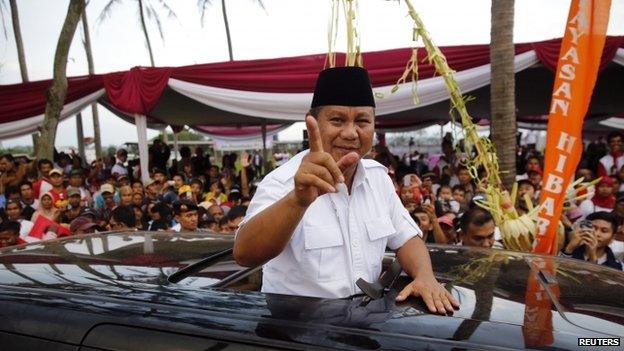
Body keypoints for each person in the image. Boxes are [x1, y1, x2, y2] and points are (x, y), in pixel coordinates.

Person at [234, 66, 458, 314]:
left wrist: (425, 276)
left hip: (366, 327)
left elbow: (406, 238)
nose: (351, 133)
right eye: (337, 120)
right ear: (313, 123)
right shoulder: (284, 181)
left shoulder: (378, 179)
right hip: (298, 333)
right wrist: (297, 201)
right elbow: (245, 254)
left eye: (362, 121)